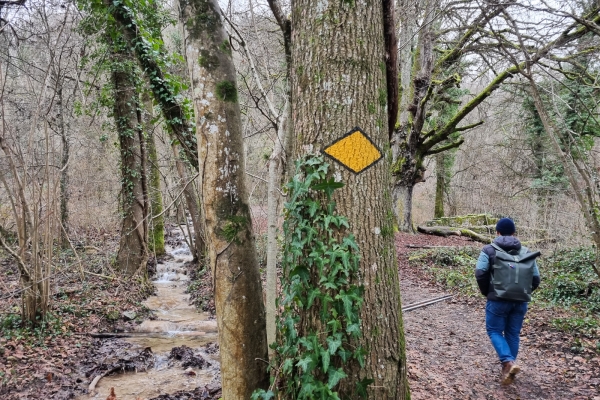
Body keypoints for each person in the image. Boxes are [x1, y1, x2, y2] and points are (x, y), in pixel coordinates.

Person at [475, 217, 541, 385]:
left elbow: (480, 272)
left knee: (494, 331)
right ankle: (508, 369)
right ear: (514, 233)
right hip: (520, 301)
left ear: (497, 232)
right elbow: (536, 278)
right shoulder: (526, 251)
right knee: (512, 333)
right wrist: (523, 292)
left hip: (497, 299)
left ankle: (507, 362)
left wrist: (487, 292)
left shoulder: (488, 250)